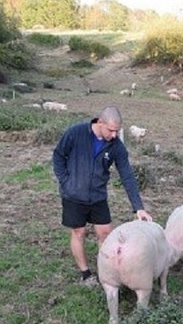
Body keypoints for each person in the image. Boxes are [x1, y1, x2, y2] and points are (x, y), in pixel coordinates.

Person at [52, 106, 152, 286]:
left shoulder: (116, 146)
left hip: (98, 196)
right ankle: (85, 274)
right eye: (111, 130)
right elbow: (58, 155)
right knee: (79, 232)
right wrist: (65, 181)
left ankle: (104, 272)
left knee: (105, 233)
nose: (114, 135)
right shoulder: (76, 133)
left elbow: (127, 175)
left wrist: (138, 208)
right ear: (100, 122)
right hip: (73, 195)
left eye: (117, 131)